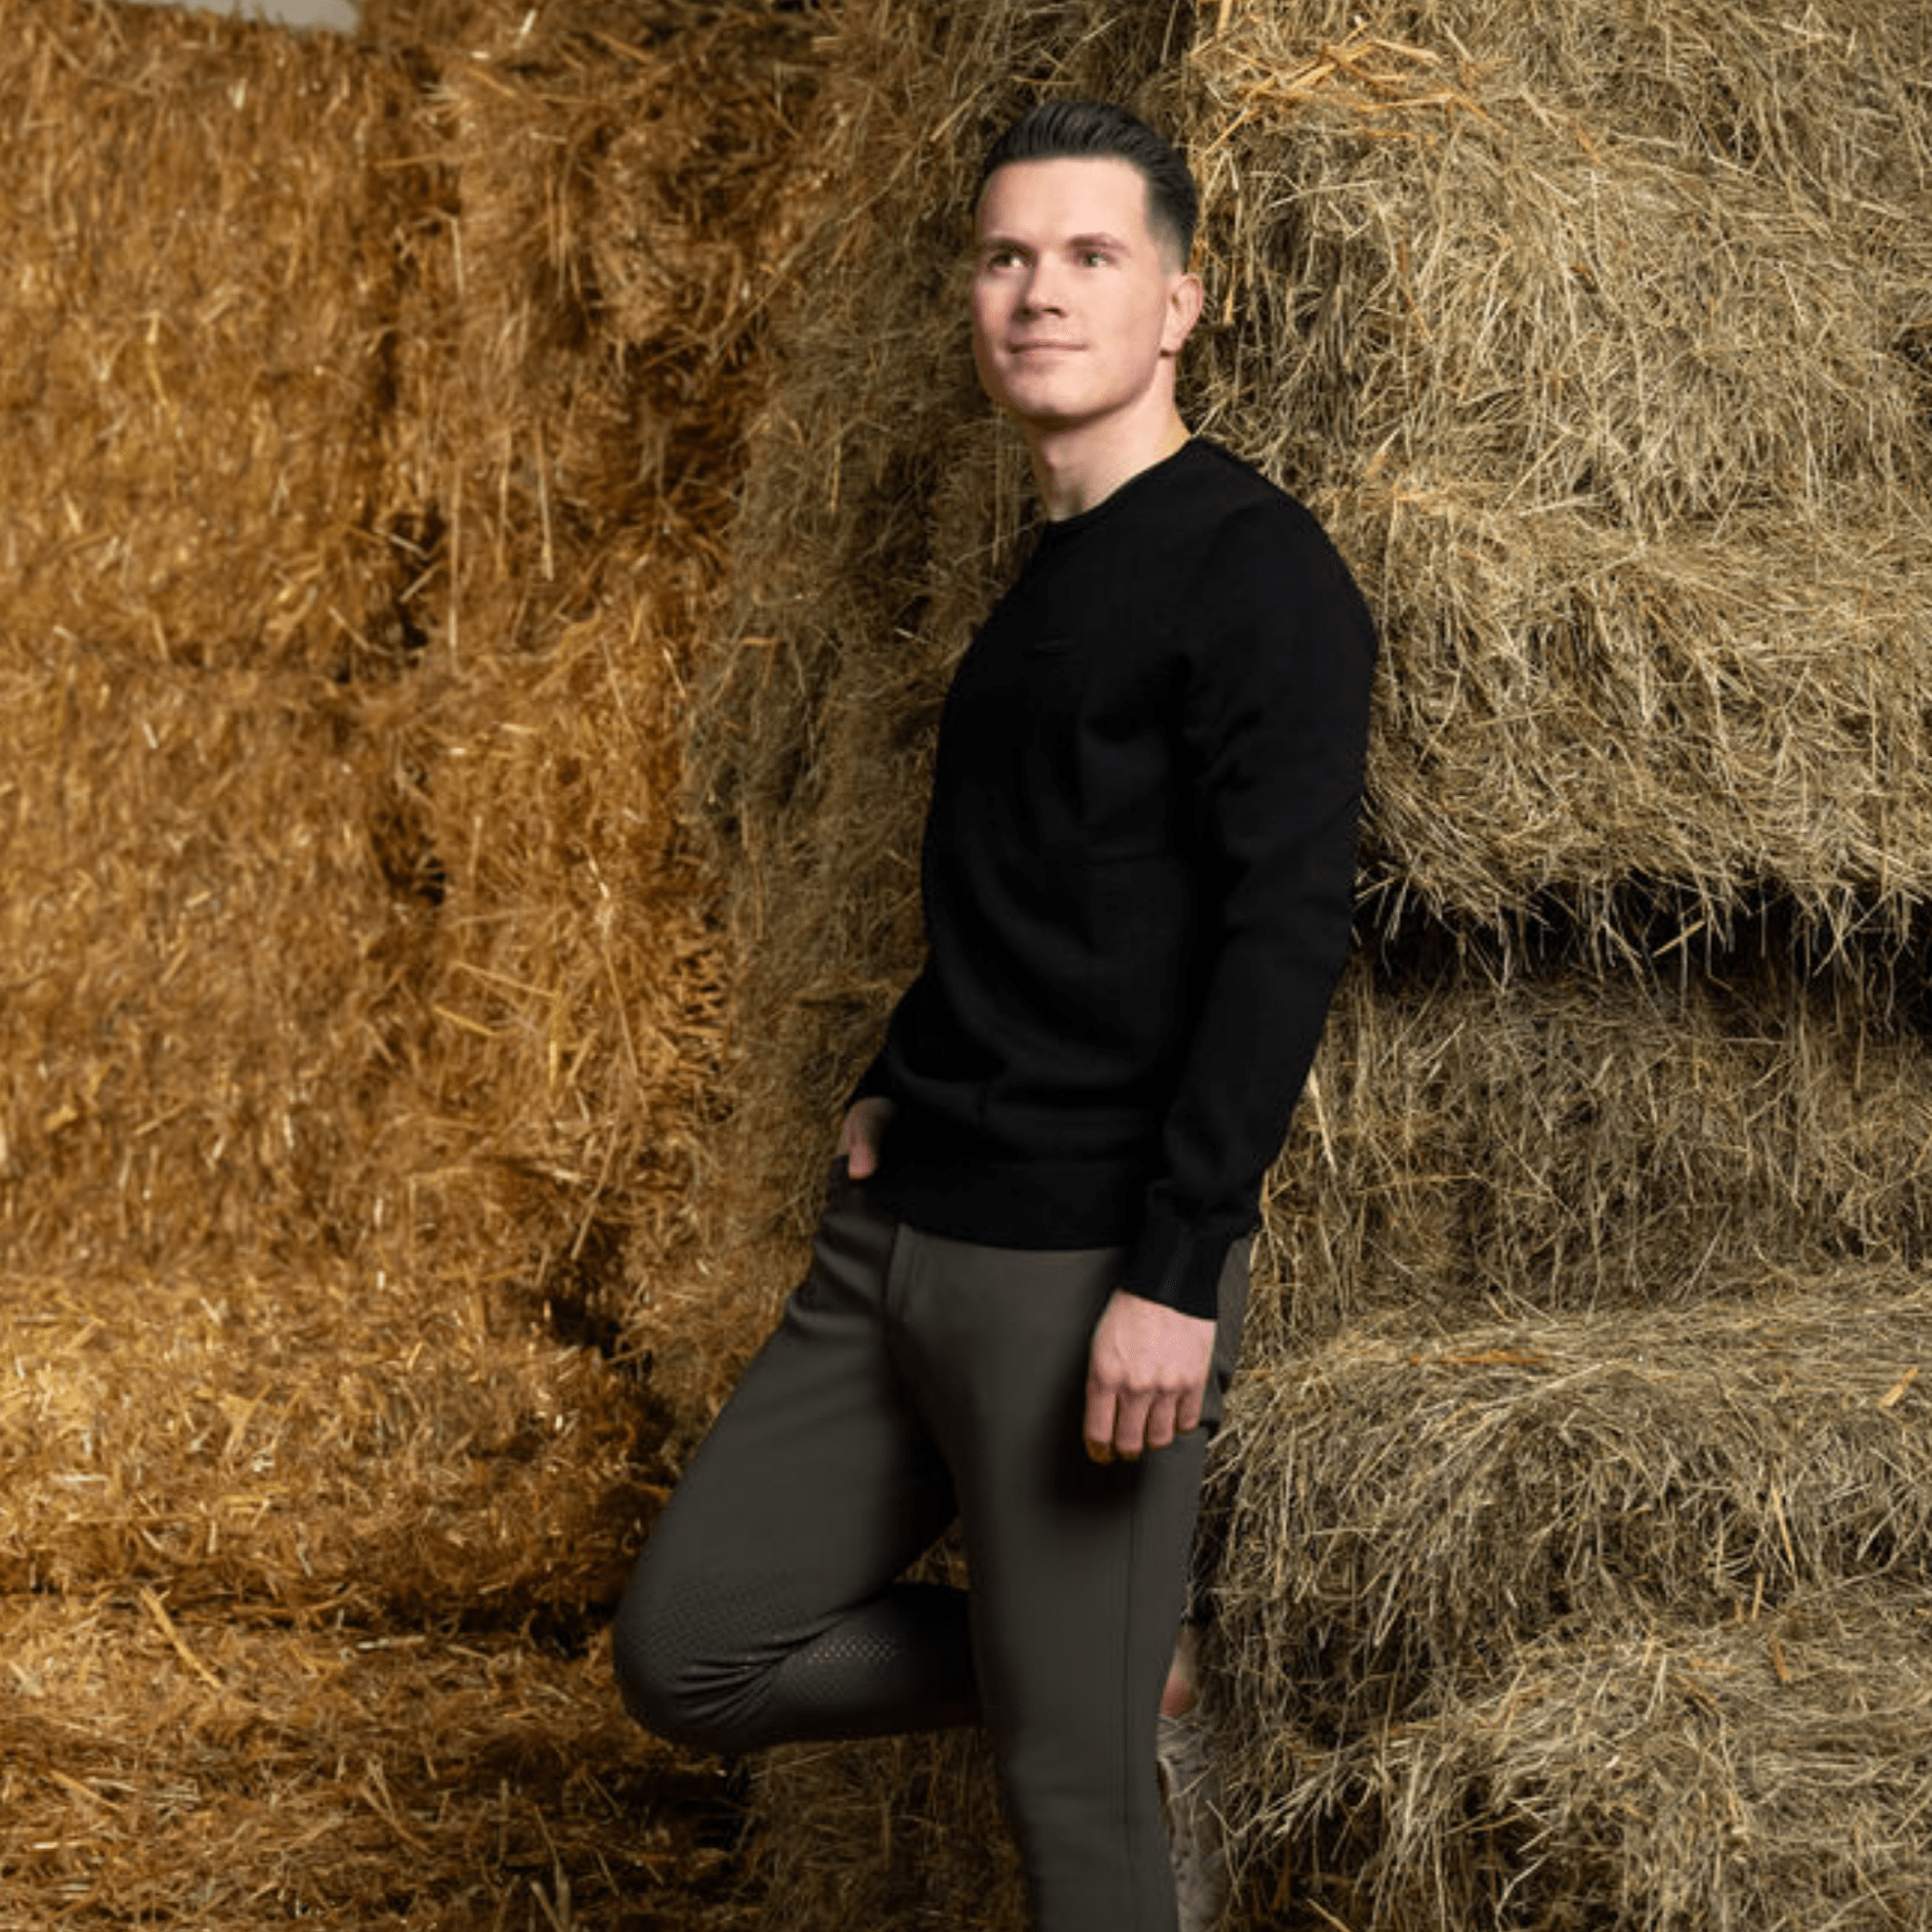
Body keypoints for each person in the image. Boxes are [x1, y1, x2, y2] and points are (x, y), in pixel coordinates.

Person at [612, 99, 1377, 1932]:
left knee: (1077, 1806)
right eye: (1005, 256)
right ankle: (1121, 1661)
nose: (1039, 293)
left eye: (1090, 256)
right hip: (899, 1238)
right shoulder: (1046, 574)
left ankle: (1097, 1682)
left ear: (1179, 302)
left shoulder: (1254, 570)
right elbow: (1054, 899)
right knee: (691, 1651)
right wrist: (898, 1075)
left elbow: (1282, 933)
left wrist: (1175, 1268)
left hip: (1079, 1263)